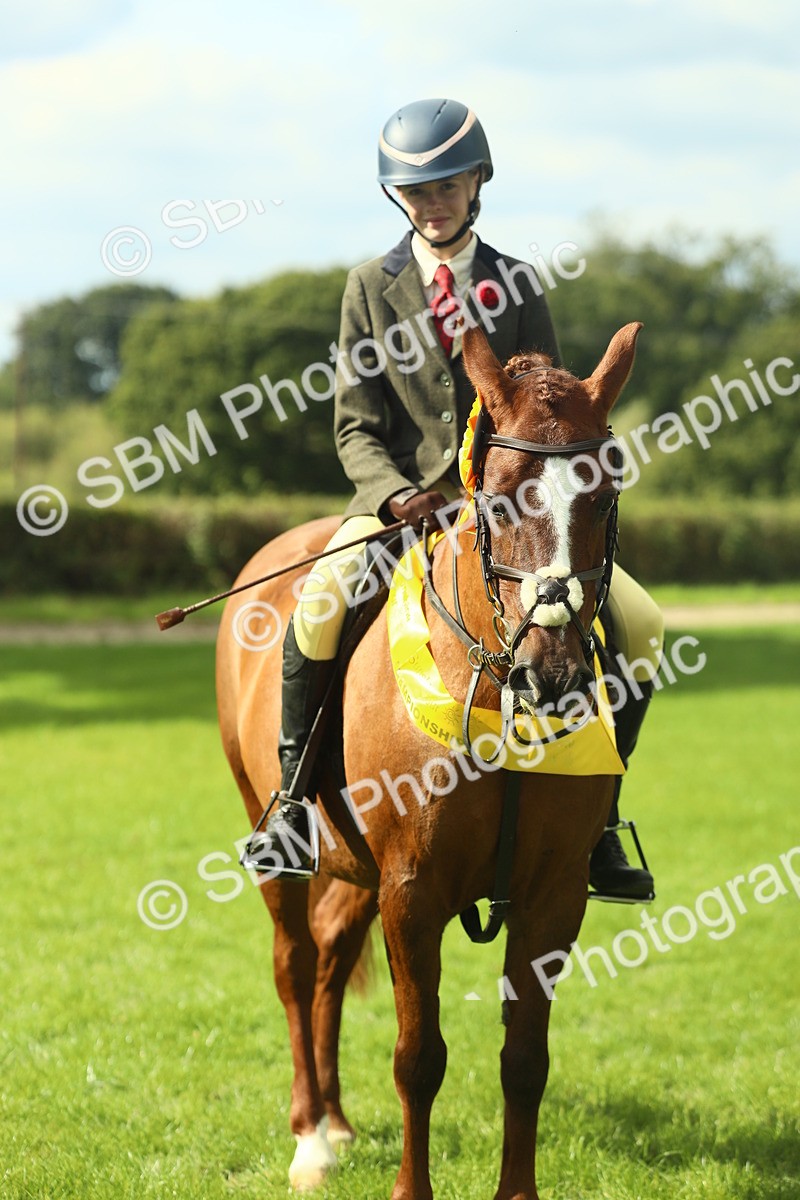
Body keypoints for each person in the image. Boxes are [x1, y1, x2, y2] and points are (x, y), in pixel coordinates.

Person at [254, 98, 662, 898]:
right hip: (397, 505)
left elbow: (547, 407)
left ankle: (604, 820)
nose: (432, 201)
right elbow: (354, 425)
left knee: (642, 625)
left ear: (478, 184)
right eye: (416, 190)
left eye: (448, 184)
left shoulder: (515, 283)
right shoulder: (371, 286)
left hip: (509, 518)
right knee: (321, 604)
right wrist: (399, 495)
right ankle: (292, 806)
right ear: (396, 198)